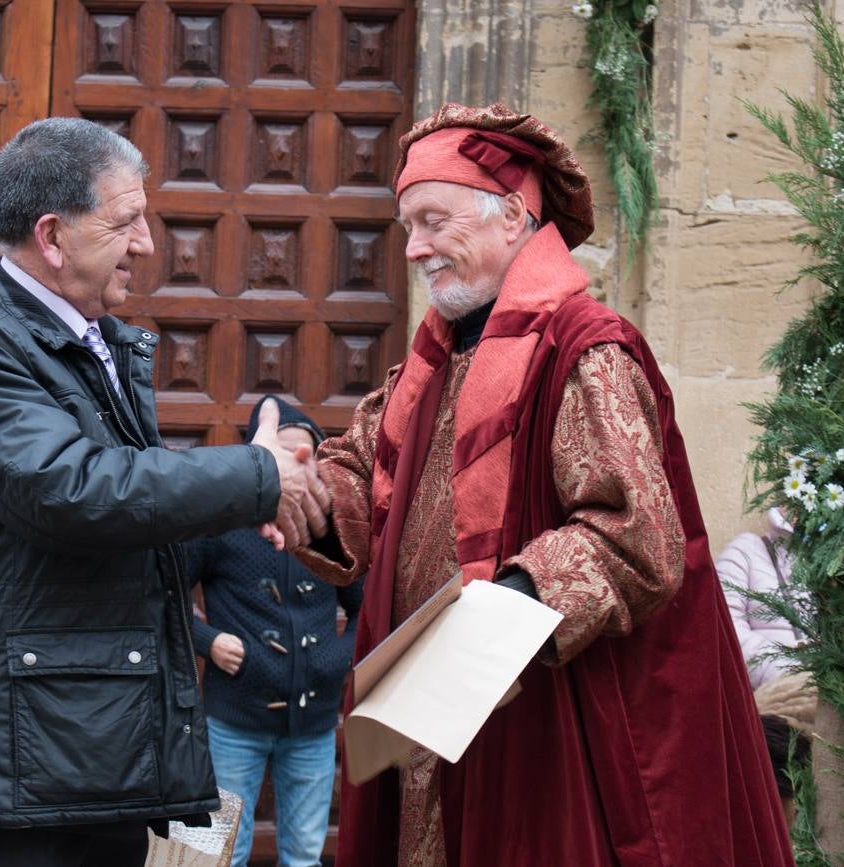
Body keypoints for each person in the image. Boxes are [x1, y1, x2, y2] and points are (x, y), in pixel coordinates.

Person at [265, 103, 794, 866]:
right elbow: (362, 479)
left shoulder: (587, 350)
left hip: (544, 726)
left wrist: (507, 602)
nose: (413, 249)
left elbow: (637, 533)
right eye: (407, 225)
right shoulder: (430, 365)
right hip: (434, 725)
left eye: (432, 221)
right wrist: (292, 485)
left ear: (512, 214)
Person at [0, 118, 328, 867]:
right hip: (6, 784)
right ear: (52, 237)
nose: (148, 244)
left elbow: (124, 528)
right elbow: (72, 492)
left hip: (75, 761)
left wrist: (261, 501)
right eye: (126, 221)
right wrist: (256, 476)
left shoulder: (85, 338)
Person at [188, 396, 363, 867]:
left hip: (314, 725)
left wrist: (338, 657)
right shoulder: (219, 525)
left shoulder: (331, 531)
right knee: (219, 854)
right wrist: (210, 642)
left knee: (305, 854)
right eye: (280, 454)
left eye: (304, 457)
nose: (293, 469)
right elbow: (162, 601)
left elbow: (366, 609)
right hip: (231, 723)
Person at [717, 508, 800, 690]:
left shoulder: (837, 568)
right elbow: (723, 627)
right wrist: (789, 673)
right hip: (766, 699)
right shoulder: (749, 549)